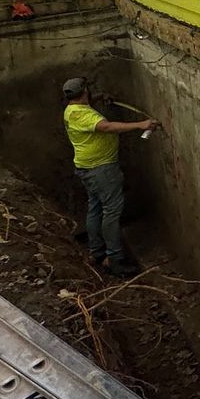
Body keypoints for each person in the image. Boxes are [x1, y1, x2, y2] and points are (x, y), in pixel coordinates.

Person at [61, 78, 154, 278]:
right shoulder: (83, 115)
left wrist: (100, 97)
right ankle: (114, 259)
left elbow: (86, 110)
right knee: (111, 212)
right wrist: (141, 125)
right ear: (85, 91)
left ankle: (97, 252)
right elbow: (106, 127)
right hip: (101, 169)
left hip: (87, 168)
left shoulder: (71, 110)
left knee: (95, 208)